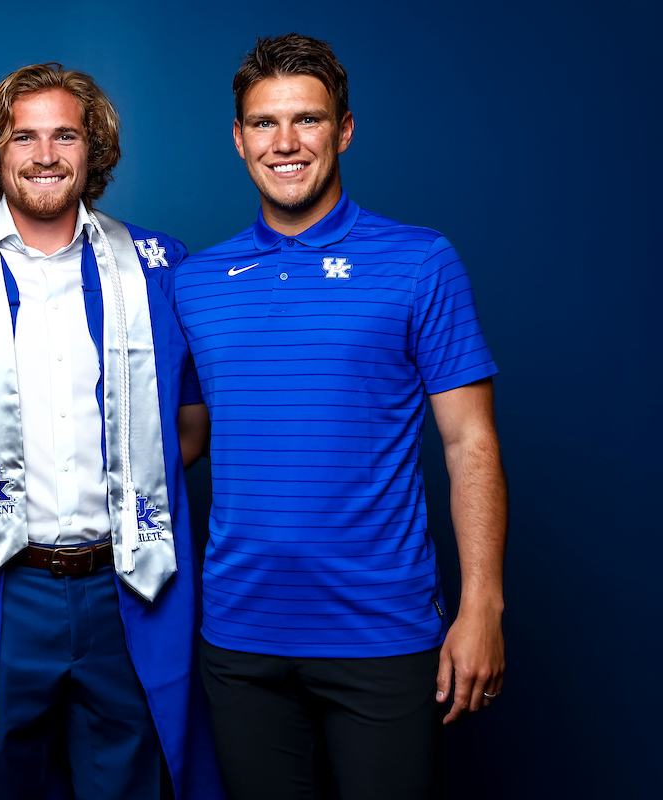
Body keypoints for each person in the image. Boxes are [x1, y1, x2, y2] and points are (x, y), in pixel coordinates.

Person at [174, 34, 508, 800]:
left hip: (382, 635)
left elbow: (470, 442)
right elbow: (181, 438)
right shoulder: (196, 282)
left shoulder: (421, 261)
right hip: (240, 638)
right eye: (264, 123)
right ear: (238, 139)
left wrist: (482, 604)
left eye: (308, 120)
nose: (285, 143)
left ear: (344, 130)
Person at [0, 63, 215, 800]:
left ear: (95, 151)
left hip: (122, 584)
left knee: (129, 778)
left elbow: (186, 428)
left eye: (66, 134)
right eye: (22, 136)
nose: (45, 153)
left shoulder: (156, 266)